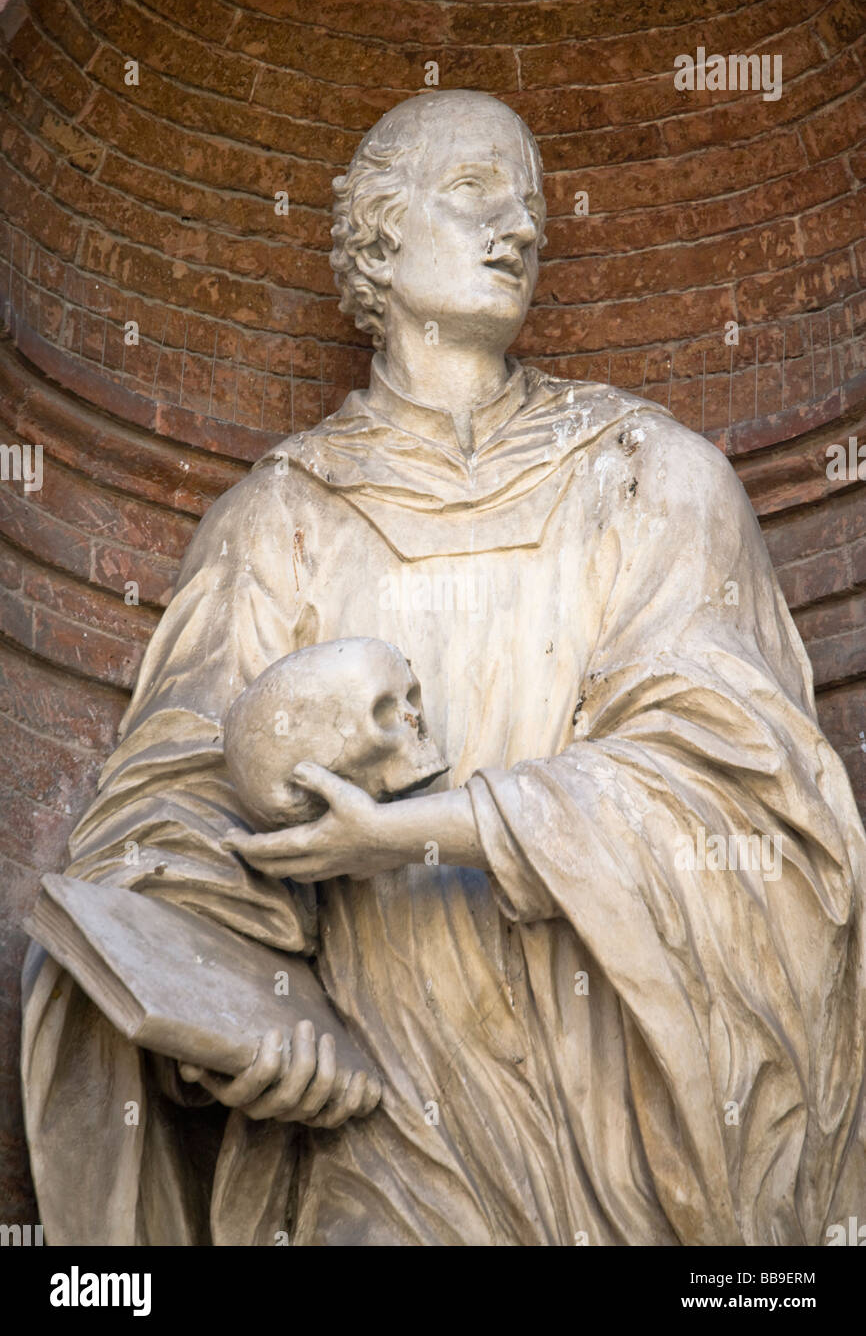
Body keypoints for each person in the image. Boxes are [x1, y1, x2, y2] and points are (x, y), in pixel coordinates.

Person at [22, 90, 866, 1246]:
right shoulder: (282, 519)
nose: (516, 223)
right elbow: (171, 809)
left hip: (627, 1127)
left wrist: (430, 830)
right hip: (384, 1124)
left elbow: (746, 794)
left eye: (527, 200)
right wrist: (250, 1022)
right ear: (375, 238)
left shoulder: (651, 476)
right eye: (474, 190)